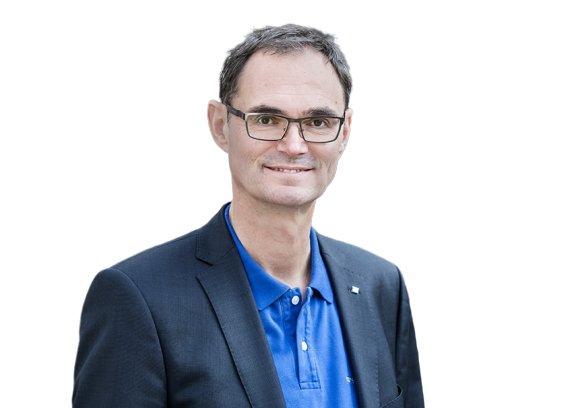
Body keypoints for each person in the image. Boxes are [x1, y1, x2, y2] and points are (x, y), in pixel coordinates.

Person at [72, 24, 424, 408]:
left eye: (318, 122)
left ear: (345, 131)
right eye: (266, 119)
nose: (294, 145)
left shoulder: (380, 286)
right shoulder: (139, 299)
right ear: (220, 125)